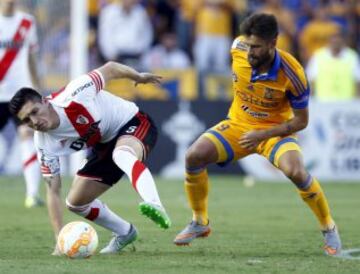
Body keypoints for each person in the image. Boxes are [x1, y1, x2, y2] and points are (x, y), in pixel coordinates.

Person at [173, 13, 342, 256]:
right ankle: (200, 222)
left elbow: (301, 121)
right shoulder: (237, 48)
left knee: (295, 171)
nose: (250, 52)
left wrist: (262, 134)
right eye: (249, 45)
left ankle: (328, 227)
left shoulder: (293, 74)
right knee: (193, 156)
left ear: (273, 43)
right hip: (239, 125)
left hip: (275, 131)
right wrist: (250, 131)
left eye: (257, 47)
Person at [9, 61, 171, 255]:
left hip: (133, 122)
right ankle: (125, 233)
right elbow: (52, 190)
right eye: (27, 120)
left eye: (34, 112)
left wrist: (137, 77)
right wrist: (59, 239)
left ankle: (154, 204)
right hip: (103, 145)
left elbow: (110, 68)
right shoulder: (43, 142)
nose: (34, 122)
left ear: (45, 101)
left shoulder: (74, 94)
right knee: (76, 203)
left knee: (122, 154)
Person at [0, 0, 43, 208]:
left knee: (28, 135)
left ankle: (32, 194)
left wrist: (36, 87)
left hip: (20, 95)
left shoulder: (27, 22)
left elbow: (31, 58)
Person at [306, 30, 360, 101]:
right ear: (329, 42)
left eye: (338, 41)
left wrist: (357, 101)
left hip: (347, 102)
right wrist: (311, 101)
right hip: (323, 102)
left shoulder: (352, 56)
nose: (336, 44)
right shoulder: (318, 56)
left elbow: (357, 81)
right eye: (334, 41)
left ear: (343, 42)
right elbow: (311, 80)